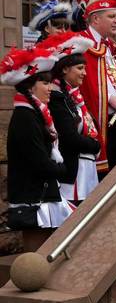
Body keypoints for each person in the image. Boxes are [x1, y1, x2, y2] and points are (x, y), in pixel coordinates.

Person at [1, 46, 73, 250]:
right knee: (36, 257)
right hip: (33, 196)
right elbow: (39, 161)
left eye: (50, 82)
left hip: (40, 193)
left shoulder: (35, 114)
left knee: (47, 252)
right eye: (45, 82)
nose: (50, 88)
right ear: (29, 87)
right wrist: (61, 169)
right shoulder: (25, 117)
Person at [78, 0, 116, 174]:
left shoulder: (109, 45)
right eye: (112, 16)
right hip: (99, 121)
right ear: (95, 19)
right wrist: (112, 98)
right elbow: (89, 82)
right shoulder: (84, 43)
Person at [38, 32, 101, 205]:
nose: (85, 74)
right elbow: (69, 137)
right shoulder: (58, 98)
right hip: (73, 173)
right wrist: (95, 145)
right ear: (65, 69)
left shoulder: (74, 96)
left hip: (86, 170)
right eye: (80, 68)